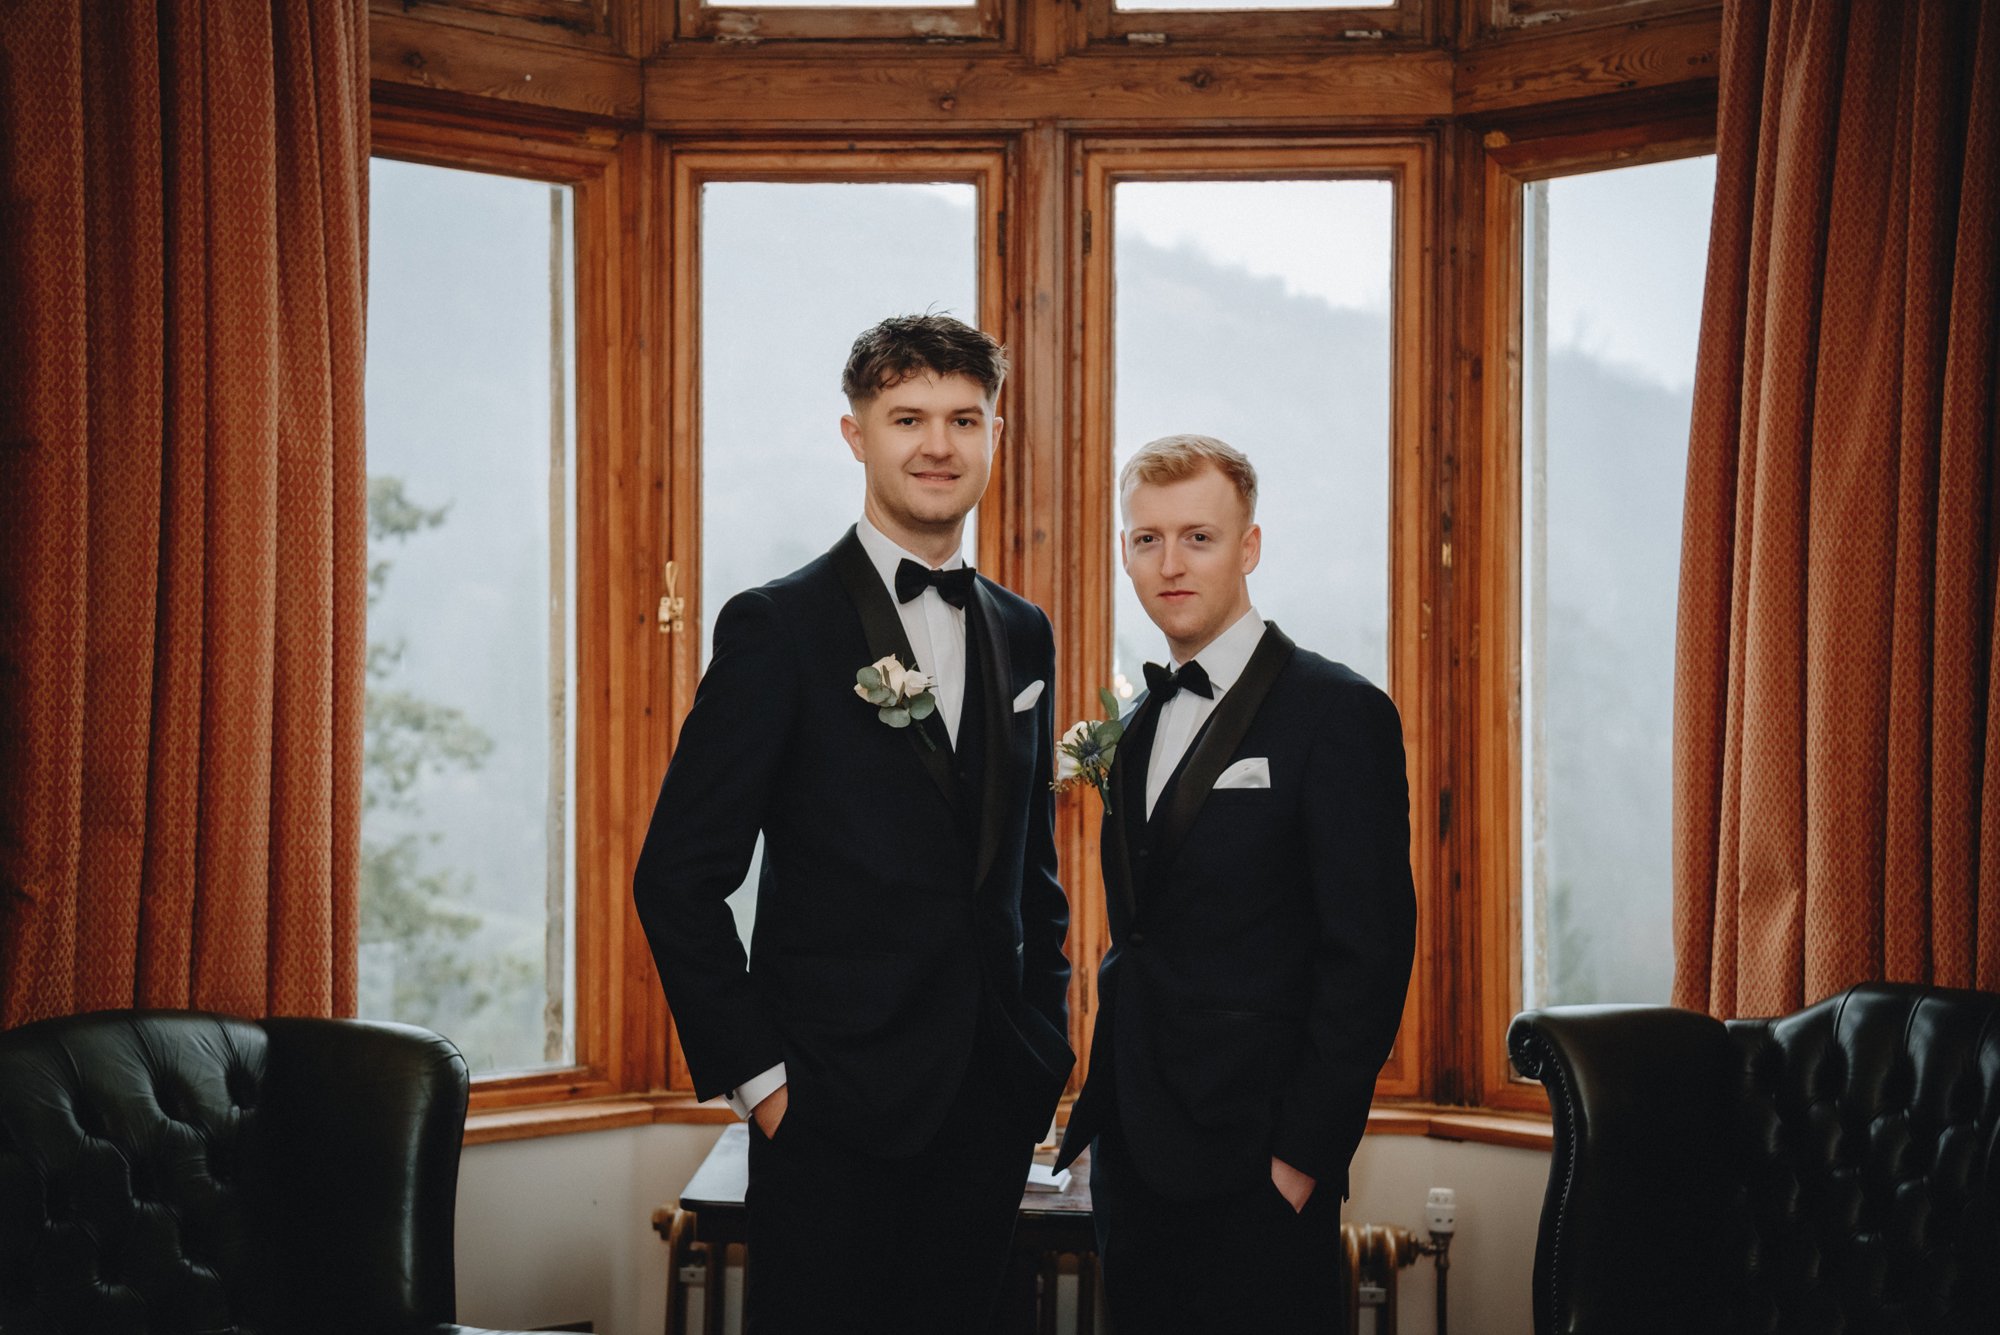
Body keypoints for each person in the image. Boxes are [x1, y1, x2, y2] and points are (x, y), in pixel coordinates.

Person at [633, 314, 1074, 1334]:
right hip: (828, 1116)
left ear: (993, 438)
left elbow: (1028, 872)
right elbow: (677, 876)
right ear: (855, 435)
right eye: (907, 416)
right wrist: (766, 1087)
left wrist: (1038, 1049)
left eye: (965, 419)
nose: (937, 445)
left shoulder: (1022, 630)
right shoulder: (777, 627)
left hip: (987, 1109)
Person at [1055, 433, 1416, 1333]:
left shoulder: (1338, 714)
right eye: (1146, 540)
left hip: (1257, 1164)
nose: (1169, 563)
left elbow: (1369, 954)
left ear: (1249, 546)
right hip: (1133, 1158)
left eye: (1198, 537)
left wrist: (1301, 1157)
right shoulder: (1134, 725)